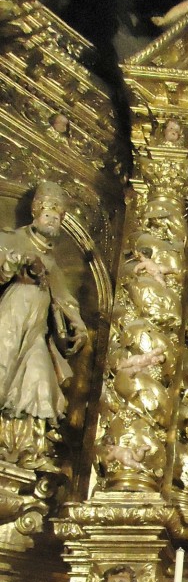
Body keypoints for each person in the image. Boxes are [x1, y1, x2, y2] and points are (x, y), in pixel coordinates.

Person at [0, 181, 88, 426]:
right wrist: (18, 263)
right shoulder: (11, 239)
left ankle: (21, 435)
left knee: (37, 371)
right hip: (13, 311)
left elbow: (64, 299)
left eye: (57, 218)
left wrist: (79, 327)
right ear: (35, 213)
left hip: (38, 326)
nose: (52, 221)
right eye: (48, 215)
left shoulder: (52, 262)